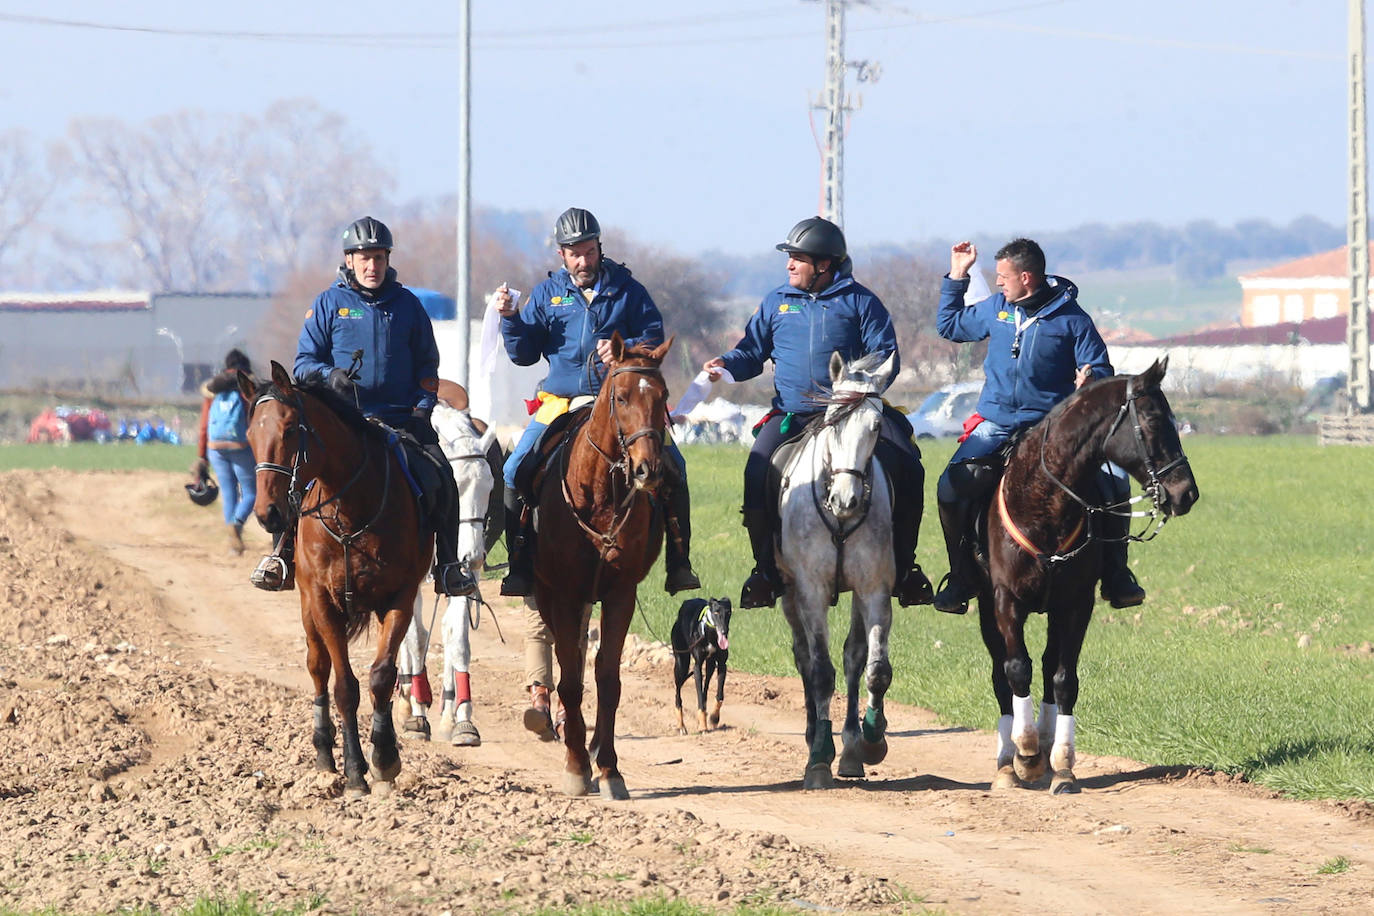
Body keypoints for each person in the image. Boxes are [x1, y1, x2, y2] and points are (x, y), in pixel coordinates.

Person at [704, 216, 934, 610]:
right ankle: (764, 572)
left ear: (823, 265)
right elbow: (751, 352)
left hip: (851, 415)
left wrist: (858, 392)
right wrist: (725, 365)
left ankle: (906, 569)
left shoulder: (862, 302)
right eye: (789, 257)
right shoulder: (777, 302)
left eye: (798, 258)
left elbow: (886, 356)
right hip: (794, 415)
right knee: (756, 469)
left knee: (910, 465)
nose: (789, 264)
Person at [250, 215, 471, 597]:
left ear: (388, 260)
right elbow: (302, 364)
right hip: (340, 423)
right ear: (349, 260)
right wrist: (328, 375)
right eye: (364, 258)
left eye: (379, 258)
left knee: (441, 476)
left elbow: (427, 367)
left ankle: (448, 564)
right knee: (300, 478)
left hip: (400, 420)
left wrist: (421, 408)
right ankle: (282, 557)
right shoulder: (328, 304)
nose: (372, 266)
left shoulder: (409, 307)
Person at [493, 206, 700, 599]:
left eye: (589, 251)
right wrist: (510, 319)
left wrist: (626, 349)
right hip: (562, 401)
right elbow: (523, 353)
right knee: (514, 467)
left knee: (676, 466)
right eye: (575, 253)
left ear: (599, 248)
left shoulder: (628, 290)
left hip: (622, 403)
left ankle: (679, 561)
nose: (583, 260)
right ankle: (520, 563)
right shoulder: (547, 294)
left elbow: (653, 338)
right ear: (562, 255)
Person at [931, 237, 1146, 615]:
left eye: (1003, 277)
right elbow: (949, 326)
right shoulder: (996, 308)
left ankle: (1116, 574)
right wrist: (957, 276)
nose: (998, 283)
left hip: (1052, 427)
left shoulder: (1072, 319)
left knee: (1114, 481)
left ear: (1026, 277)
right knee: (950, 487)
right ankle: (961, 575)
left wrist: (1090, 381)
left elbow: (1100, 370)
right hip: (996, 423)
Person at [194, 348, 256, 555]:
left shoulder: (214, 389)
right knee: (252, 492)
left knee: (229, 493)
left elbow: (204, 425)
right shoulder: (248, 386)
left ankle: (233, 547)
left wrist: (201, 456)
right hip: (241, 446)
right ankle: (237, 524)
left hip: (215, 447)